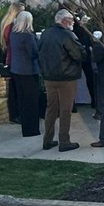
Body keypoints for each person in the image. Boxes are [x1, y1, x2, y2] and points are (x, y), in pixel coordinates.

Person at [38, 9, 84, 152]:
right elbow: (78, 54)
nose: (72, 22)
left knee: (51, 108)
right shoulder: (67, 35)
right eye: (71, 19)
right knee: (65, 110)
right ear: (64, 21)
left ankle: (47, 140)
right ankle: (64, 141)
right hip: (66, 78)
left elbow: (39, 52)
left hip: (49, 77)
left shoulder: (45, 34)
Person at [8, 11, 41, 138]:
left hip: (16, 70)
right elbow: (34, 53)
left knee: (22, 100)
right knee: (31, 101)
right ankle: (32, 129)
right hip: (28, 71)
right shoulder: (28, 36)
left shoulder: (13, 34)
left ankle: (25, 128)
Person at [0, 1, 24, 123]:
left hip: (11, 58)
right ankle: (15, 114)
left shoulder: (6, 24)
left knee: (14, 88)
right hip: (14, 59)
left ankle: (14, 114)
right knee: (15, 89)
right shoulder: (11, 26)